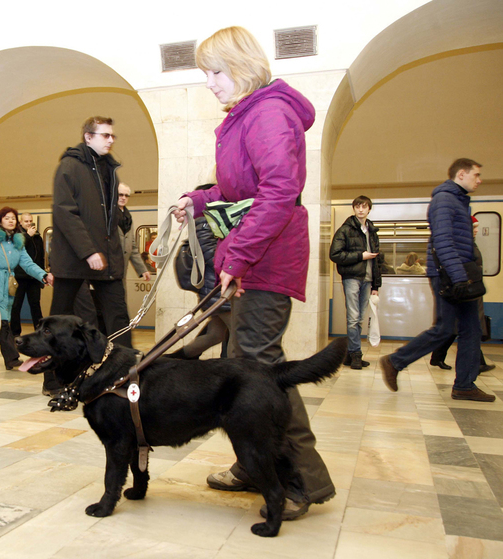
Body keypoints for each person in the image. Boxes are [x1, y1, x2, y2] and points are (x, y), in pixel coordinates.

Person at [173, 26, 335, 520]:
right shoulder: (248, 115)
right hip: (253, 260)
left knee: (260, 375)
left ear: (241, 68)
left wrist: (237, 256)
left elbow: (278, 194)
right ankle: (254, 463)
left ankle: (300, 481)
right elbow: (237, 188)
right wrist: (197, 199)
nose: (209, 83)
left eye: (215, 72)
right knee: (247, 369)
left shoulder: (267, 113)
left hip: (266, 260)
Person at [380, 158, 495, 402]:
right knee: (444, 329)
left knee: (472, 330)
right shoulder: (444, 200)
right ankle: (394, 361)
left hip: (459, 274)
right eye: (476, 175)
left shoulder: (459, 201)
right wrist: (459, 278)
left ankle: (464, 384)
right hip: (449, 276)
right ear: (461, 174)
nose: (480, 180)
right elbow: (443, 242)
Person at [49, 116, 132, 394]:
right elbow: (65, 213)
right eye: (104, 135)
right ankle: (53, 381)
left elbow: (109, 219)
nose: (110, 140)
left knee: (118, 317)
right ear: (88, 137)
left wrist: (108, 253)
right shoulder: (69, 167)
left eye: (112, 136)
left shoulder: (110, 169)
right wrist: (88, 251)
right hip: (73, 259)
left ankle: (129, 374)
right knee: (58, 322)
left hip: (106, 259)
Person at [0, 207, 53, 369]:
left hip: (9, 284)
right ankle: (12, 358)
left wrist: (43, 275)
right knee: (3, 320)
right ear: (0, 220)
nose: (10, 220)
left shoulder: (18, 242)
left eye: (13, 218)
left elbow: (28, 264)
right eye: (7, 218)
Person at [169, 184, 230, 359]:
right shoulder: (205, 222)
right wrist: (236, 262)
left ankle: (176, 360)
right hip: (216, 290)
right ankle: (232, 372)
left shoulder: (208, 221)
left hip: (216, 290)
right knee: (239, 335)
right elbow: (210, 253)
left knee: (216, 334)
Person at [429, 217, 495, 373]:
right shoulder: (462, 243)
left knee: (458, 328)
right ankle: (475, 364)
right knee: (467, 328)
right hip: (466, 289)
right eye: (474, 227)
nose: (477, 230)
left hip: (471, 288)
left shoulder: (468, 242)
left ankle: (438, 357)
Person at [329, 196, 381, 369]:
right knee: (353, 318)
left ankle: (351, 354)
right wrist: (361, 256)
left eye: (364, 206)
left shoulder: (372, 231)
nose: (360, 209)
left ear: (369, 209)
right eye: (357, 206)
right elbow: (335, 255)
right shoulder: (345, 230)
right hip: (351, 277)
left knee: (359, 319)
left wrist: (376, 285)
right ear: (353, 208)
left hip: (367, 279)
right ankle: (356, 354)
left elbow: (377, 262)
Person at [10, 212, 46, 337]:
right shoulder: (17, 236)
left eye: (30, 221)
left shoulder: (38, 237)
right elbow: (16, 251)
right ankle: (15, 333)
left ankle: (40, 331)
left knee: (35, 305)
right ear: (20, 222)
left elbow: (40, 257)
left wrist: (42, 276)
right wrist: (27, 236)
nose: (29, 223)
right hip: (19, 276)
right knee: (16, 306)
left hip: (33, 278)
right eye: (26, 221)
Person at [117, 183, 151, 282]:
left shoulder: (128, 217)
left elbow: (132, 246)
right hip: (107, 270)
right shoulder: (107, 215)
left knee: (121, 296)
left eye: (126, 195)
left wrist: (142, 269)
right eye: (120, 195)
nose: (123, 198)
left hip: (121, 271)